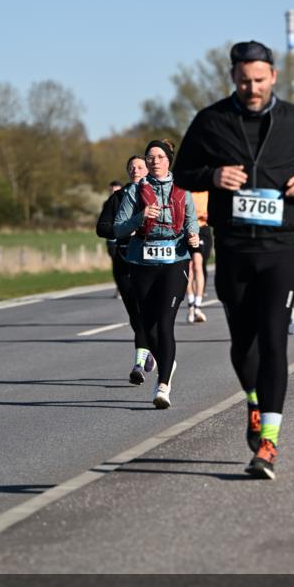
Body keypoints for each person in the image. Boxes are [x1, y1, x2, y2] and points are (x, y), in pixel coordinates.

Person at [174, 39, 294, 480]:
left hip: (281, 246)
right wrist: (212, 176)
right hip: (235, 247)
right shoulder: (211, 120)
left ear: (273, 76)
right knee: (244, 342)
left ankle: (269, 445)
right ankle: (254, 404)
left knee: (275, 340)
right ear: (233, 79)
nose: (252, 88)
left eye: (259, 80)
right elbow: (182, 173)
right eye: (244, 81)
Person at [114, 139, 199, 409]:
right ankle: (167, 362)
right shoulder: (134, 192)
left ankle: (163, 385)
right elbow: (117, 229)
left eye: (159, 157)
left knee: (165, 323)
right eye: (150, 157)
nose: (154, 161)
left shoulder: (182, 190)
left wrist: (194, 236)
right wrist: (139, 218)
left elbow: (191, 222)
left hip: (175, 259)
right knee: (147, 328)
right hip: (142, 261)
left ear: (168, 160)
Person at [96, 157, 156, 384]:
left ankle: (139, 363)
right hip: (124, 260)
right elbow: (101, 228)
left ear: (148, 169)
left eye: (140, 167)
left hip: (150, 260)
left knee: (147, 314)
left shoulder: (156, 194)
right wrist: (123, 229)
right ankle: (147, 349)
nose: (135, 170)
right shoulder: (118, 198)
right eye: (131, 168)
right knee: (135, 314)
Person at [186, 191, 213, 323]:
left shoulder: (207, 191)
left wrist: (210, 215)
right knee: (188, 268)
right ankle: (191, 304)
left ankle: (197, 304)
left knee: (197, 264)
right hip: (186, 230)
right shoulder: (185, 191)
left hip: (202, 229)